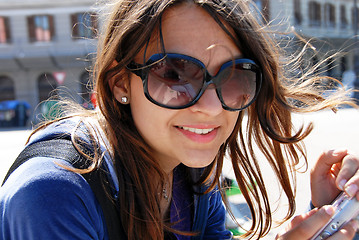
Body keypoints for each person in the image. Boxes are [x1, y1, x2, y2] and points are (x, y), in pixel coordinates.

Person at [1, 0, 359, 239]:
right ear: (119, 83)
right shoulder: (54, 194)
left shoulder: (190, 170)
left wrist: (323, 218)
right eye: (174, 74)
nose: (211, 107)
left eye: (235, 75)